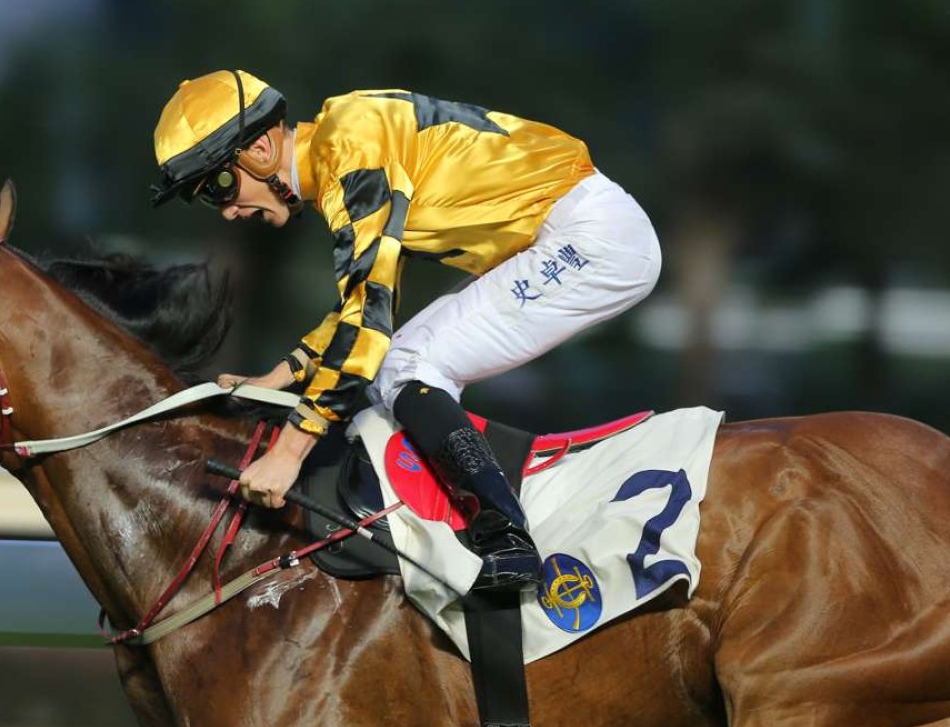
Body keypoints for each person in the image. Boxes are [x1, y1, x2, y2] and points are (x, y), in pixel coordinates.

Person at [151, 69, 661, 592]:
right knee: (398, 365)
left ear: (259, 149)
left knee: (403, 364)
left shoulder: (351, 151)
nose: (229, 211)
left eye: (218, 186)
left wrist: (287, 453)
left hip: (591, 239)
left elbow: (368, 320)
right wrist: (279, 377)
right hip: (576, 230)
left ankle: (506, 538)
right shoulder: (343, 145)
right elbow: (361, 300)